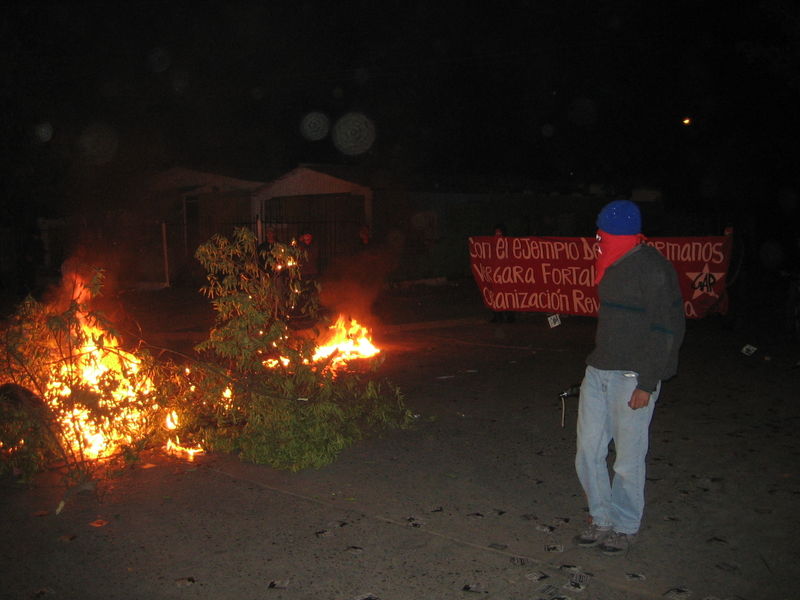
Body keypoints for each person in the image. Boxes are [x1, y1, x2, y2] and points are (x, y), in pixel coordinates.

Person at [573, 199, 685, 556]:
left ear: (618, 233)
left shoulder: (652, 268)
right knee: (588, 451)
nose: (597, 238)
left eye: (602, 232)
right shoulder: (610, 263)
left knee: (627, 458)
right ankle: (601, 518)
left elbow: (666, 328)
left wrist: (647, 382)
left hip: (631, 376)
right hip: (599, 370)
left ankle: (624, 526)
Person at [489, 223, 515, 323]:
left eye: (499, 233)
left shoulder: (509, 244)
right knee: (496, 296)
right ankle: (498, 316)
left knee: (507, 296)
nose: (497, 236)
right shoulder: (492, 245)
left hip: (506, 274)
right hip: (496, 274)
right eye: (496, 234)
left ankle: (509, 316)